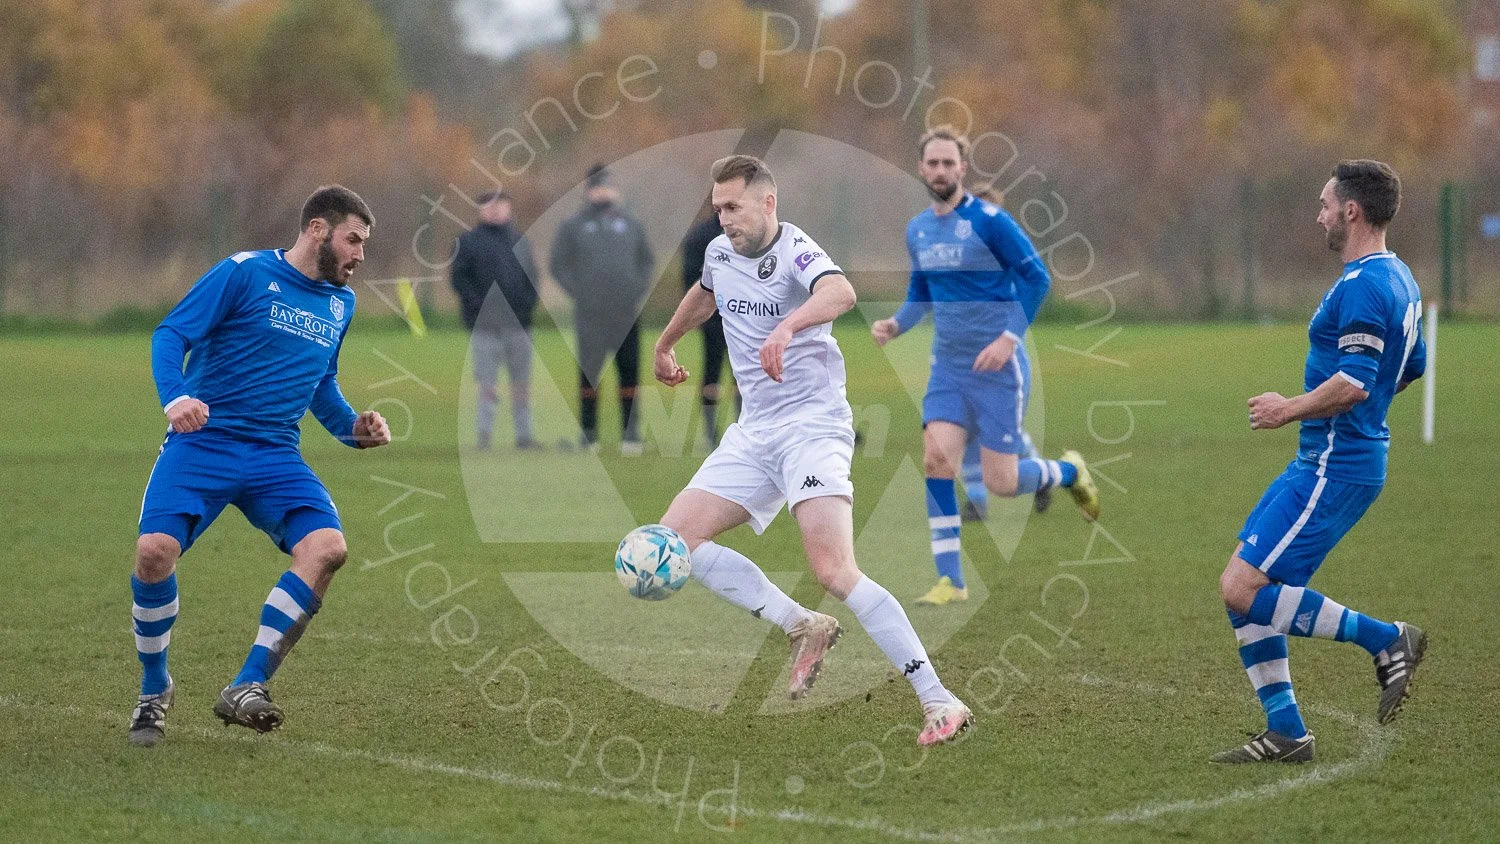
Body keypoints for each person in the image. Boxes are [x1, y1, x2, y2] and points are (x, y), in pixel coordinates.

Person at [653, 155, 973, 747]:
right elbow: (705, 292)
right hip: (754, 432)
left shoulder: (795, 249)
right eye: (718, 208)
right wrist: (666, 342)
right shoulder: (719, 252)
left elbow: (841, 292)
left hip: (813, 427)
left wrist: (788, 326)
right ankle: (803, 625)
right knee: (675, 541)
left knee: (832, 569)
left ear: (767, 203)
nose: (724, 219)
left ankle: (939, 700)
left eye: (733, 207)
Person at [128, 185, 392, 747]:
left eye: (363, 244)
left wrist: (354, 429)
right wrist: (176, 397)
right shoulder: (244, 273)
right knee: (154, 554)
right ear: (317, 229)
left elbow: (320, 384)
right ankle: (154, 689)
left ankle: (247, 684)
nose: (360, 255)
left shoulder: (340, 304)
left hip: (274, 455)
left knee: (328, 549)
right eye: (353, 239)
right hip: (204, 443)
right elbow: (171, 333)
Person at [1213, 160, 1428, 764]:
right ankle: (1286, 732)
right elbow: (1411, 365)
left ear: (1351, 211)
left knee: (1242, 587)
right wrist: (1364, 409)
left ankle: (1387, 640)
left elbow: (1357, 382)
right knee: (1243, 584)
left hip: (1335, 464)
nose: (1319, 216)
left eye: (1326, 205)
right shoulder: (1399, 277)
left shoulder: (1364, 285)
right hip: (1332, 459)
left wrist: (1289, 408)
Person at [871, 127, 1099, 607]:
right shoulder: (918, 230)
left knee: (1002, 482)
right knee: (936, 459)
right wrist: (896, 324)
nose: (940, 171)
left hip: (998, 371)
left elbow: (1037, 278)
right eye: (932, 163)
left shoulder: (991, 221)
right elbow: (921, 294)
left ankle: (1068, 471)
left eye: (948, 163)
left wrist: (1008, 339)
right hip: (948, 370)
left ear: (963, 168)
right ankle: (951, 580)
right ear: (921, 169)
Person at [549, 164, 654, 454]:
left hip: (625, 313)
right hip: (591, 314)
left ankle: (631, 434)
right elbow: (558, 265)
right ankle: (589, 434)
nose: (603, 192)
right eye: (598, 187)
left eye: (607, 186)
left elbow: (646, 262)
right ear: (588, 191)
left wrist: (635, 290)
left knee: (629, 372)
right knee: (589, 373)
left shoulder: (630, 224)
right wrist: (581, 293)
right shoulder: (574, 226)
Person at [450, 190, 540, 450]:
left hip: (519, 326)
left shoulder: (520, 241)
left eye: (501, 204)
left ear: (509, 208)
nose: (495, 209)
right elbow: (459, 280)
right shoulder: (467, 242)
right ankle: (484, 437)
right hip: (484, 328)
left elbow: (532, 278)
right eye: (489, 205)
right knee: (487, 385)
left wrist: (526, 307)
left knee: (521, 385)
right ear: (480, 209)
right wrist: (479, 307)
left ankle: (524, 436)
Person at [680, 210, 738, 447]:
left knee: (745, 375)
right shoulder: (702, 236)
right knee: (712, 373)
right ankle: (710, 432)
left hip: (745, 320)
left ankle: (745, 426)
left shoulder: (745, 232)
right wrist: (698, 312)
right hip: (713, 321)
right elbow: (690, 277)